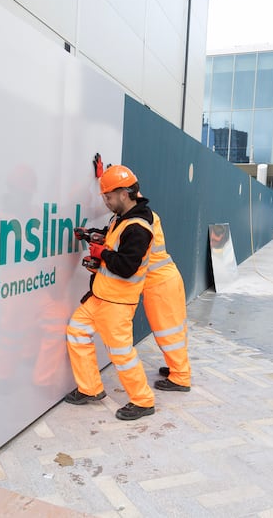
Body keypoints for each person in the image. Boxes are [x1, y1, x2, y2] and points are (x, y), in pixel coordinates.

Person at [64, 165, 156, 421]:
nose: (105, 201)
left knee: (121, 354)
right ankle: (91, 389)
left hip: (117, 303)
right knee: (77, 331)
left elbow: (126, 267)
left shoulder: (138, 227)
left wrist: (100, 254)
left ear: (124, 194)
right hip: (100, 297)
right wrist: (94, 236)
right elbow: (111, 238)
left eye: (108, 196)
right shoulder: (121, 218)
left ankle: (142, 401)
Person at [145, 210, 191, 392]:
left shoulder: (139, 220)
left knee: (169, 333)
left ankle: (180, 377)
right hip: (167, 277)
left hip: (159, 284)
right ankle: (178, 367)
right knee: (177, 330)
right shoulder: (149, 215)